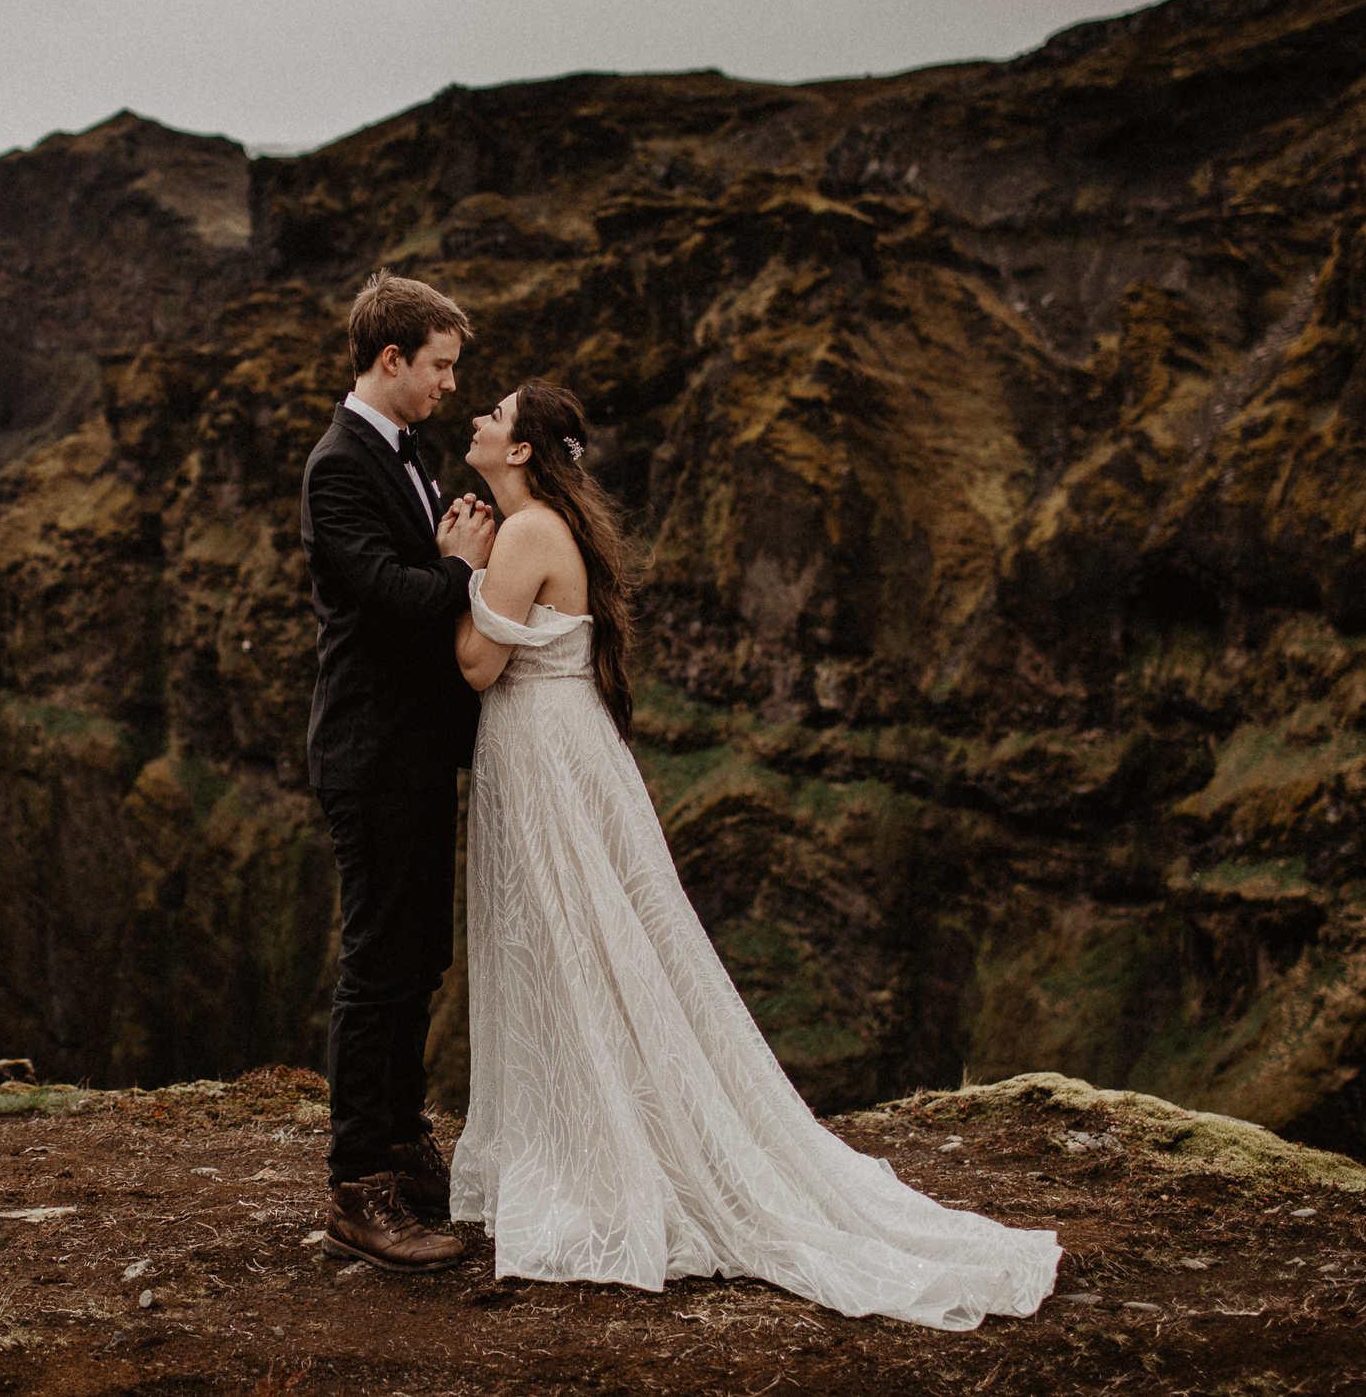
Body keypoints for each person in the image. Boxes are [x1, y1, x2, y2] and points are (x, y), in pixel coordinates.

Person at [446, 379, 1063, 1327]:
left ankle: (594, 1152)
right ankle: (602, 1130)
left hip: (543, 756)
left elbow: (479, 665)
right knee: (582, 945)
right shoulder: (545, 529)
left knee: (564, 944)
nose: (480, 418)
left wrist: (458, 566)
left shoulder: (524, 534)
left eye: (496, 412)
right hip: (564, 750)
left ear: (523, 450)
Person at [300, 270, 496, 1273]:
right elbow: (385, 594)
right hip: (370, 755)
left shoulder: (405, 452)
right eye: (438, 367)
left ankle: (398, 1143)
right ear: (390, 359)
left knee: (418, 958)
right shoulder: (339, 466)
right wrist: (460, 567)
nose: (446, 388)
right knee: (376, 966)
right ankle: (356, 1184)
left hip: (415, 752)